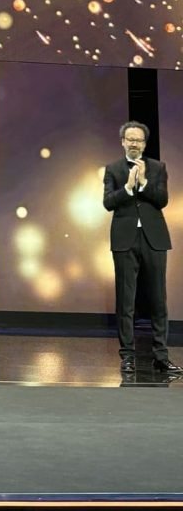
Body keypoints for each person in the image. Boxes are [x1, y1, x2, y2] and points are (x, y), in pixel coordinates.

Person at [103, 121, 181, 376]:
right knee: (126, 302)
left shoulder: (158, 168)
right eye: (130, 139)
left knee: (158, 300)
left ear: (145, 144)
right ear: (123, 142)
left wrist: (145, 182)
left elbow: (162, 200)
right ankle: (127, 357)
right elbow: (108, 203)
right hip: (124, 240)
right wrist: (127, 187)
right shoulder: (113, 169)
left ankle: (161, 357)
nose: (134, 143)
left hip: (154, 239)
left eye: (139, 140)